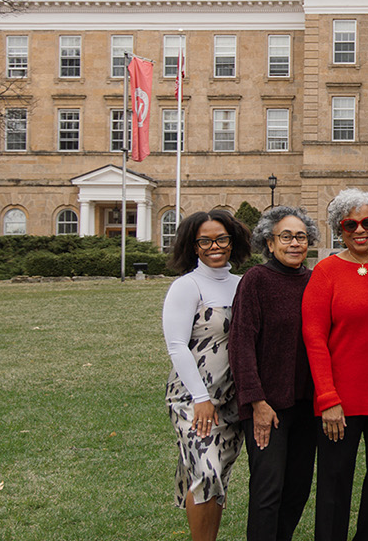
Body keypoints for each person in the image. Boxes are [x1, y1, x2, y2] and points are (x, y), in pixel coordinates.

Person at [302, 189, 368, 541]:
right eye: (350, 224)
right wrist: (328, 398)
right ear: (339, 228)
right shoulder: (326, 271)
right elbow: (314, 338)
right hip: (338, 403)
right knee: (333, 484)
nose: (359, 230)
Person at [229, 205, 321, 541]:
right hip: (268, 407)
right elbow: (240, 344)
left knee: (297, 489)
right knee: (268, 491)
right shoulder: (256, 281)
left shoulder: (314, 281)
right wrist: (256, 402)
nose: (295, 243)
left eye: (301, 236)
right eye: (286, 237)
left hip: (307, 406)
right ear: (269, 243)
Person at [162, 209, 253, 541]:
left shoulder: (243, 285)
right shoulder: (186, 287)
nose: (214, 246)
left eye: (221, 239)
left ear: (233, 242)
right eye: (205, 241)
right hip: (192, 398)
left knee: (216, 475)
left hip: (231, 399)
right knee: (208, 471)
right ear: (193, 245)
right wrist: (201, 398)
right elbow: (176, 346)